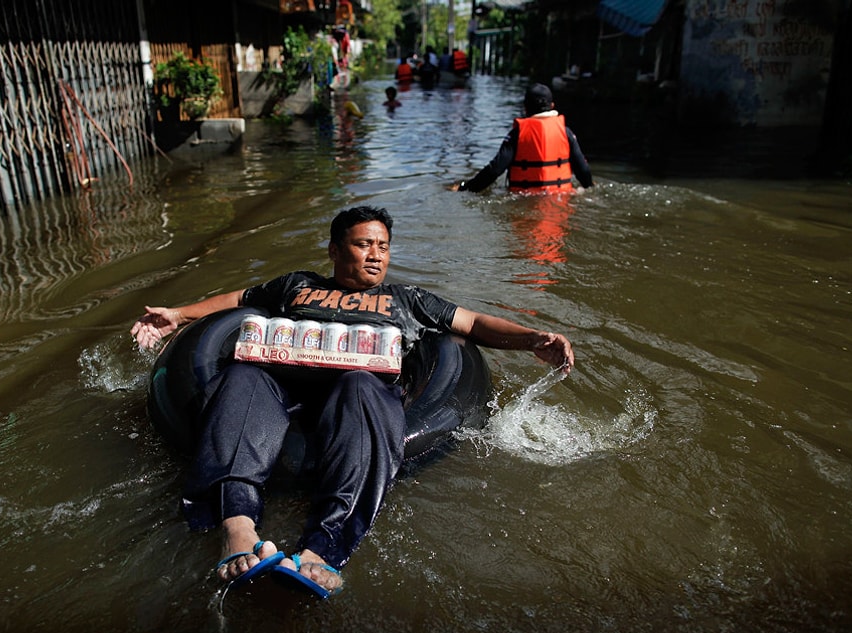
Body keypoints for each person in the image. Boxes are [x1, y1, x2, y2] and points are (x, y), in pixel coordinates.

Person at [130, 206, 574, 598]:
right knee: (242, 376)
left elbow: (472, 322)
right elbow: (240, 300)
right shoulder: (296, 286)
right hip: (283, 386)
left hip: (358, 393)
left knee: (361, 386)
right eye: (364, 244)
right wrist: (177, 315)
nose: (376, 254)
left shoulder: (407, 299)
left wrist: (531, 338)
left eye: (383, 245)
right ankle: (237, 528)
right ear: (335, 250)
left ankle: (320, 549)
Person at [452, 83, 593, 193]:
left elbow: (494, 170)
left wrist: (464, 187)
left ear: (525, 108)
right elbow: (583, 170)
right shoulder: (566, 133)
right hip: (560, 198)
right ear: (552, 106)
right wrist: (590, 187)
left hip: (524, 198)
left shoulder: (517, 134)